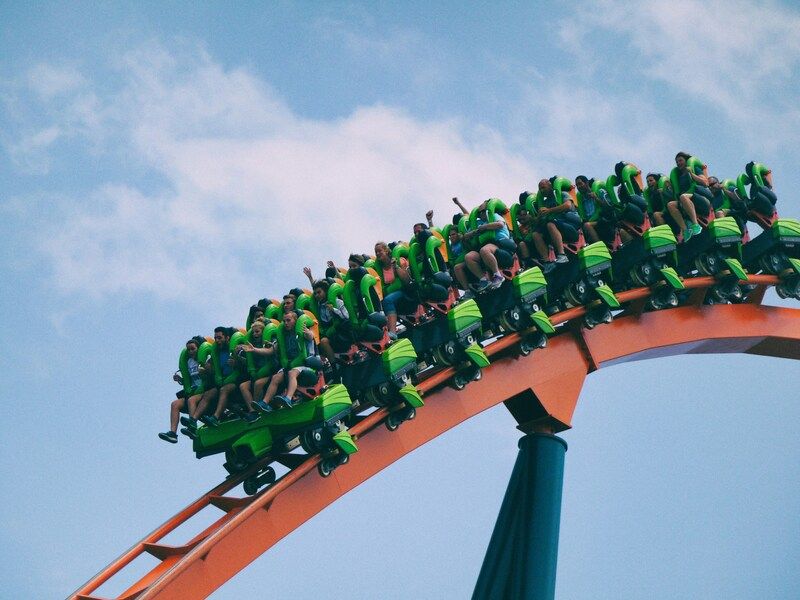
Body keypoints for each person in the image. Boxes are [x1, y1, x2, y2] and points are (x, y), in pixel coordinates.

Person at [256, 311, 316, 410]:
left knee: (292, 373)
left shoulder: (302, 330)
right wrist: (255, 349)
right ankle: (265, 403)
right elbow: (272, 350)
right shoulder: (284, 335)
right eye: (284, 321)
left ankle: (288, 398)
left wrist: (307, 332)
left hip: (307, 365)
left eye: (288, 320)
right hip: (291, 366)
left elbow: (310, 336)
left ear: (295, 321)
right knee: (276, 377)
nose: (286, 323)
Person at [188, 327, 238, 428]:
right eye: (216, 338)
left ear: (227, 338)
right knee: (208, 394)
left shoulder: (235, 349)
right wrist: (205, 369)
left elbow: (244, 365)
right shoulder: (215, 353)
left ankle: (216, 417)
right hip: (222, 381)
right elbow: (212, 371)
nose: (217, 341)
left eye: (220, 338)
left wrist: (236, 363)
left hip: (237, 380)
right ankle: (193, 420)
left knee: (224, 390)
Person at [159, 337, 206, 443]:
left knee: (191, 400)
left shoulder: (205, 358)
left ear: (199, 349)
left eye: (193, 349)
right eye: (189, 350)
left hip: (204, 391)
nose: (190, 352)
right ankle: (173, 434)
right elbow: (190, 380)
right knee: (175, 404)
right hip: (193, 390)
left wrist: (205, 370)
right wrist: (180, 380)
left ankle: (192, 427)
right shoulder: (189, 362)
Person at [530, 178, 581, 267]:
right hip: (556, 229)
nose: (542, 191)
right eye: (540, 189)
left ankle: (562, 255)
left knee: (550, 224)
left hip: (571, 227)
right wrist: (538, 217)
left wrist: (550, 210)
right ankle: (547, 262)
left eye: (543, 187)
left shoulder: (562, 194)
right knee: (536, 234)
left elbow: (568, 206)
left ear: (550, 186)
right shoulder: (544, 203)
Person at [237, 318, 273, 423]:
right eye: (253, 332)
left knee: (258, 383)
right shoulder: (253, 344)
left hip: (271, 371)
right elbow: (248, 362)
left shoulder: (268, 340)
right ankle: (253, 411)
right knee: (243, 386)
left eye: (257, 332)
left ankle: (259, 408)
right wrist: (238, 355)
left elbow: (270, 352)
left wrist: (255, 350)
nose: (254, 334)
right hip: (259, 372)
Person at [374, 241, 413, 335]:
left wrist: (395, 266)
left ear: (387, 251)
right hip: (391, 294)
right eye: (376, 252)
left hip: (404, 292)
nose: (378, 253)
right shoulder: (379, 268)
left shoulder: (398, 260)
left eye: (380, 251)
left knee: (387, 300)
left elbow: (408, 280)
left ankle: (392, 332)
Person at [669, 152, 710, 241]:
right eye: (677, 162)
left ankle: (696, 225)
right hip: (686, 199)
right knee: (671, 205)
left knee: (683, 197)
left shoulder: (695, 169)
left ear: (686, 161)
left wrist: (691, 173)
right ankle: (685, 230)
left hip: (700, 198)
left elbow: (705, 183)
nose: (679, 163)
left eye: (680, 160)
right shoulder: (678, 175)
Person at [310, 278, 349, 362]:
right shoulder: (319, 308)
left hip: (342, 330)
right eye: (315, 293)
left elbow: (346, 317)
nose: (317, 295)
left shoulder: (337, 302)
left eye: (319, 292)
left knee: (324, 341)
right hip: (329, 333)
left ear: (326, 292)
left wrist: (334, 310)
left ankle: (334, 367)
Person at [575, 176, 615, 244]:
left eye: (580, 184)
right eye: (577, 185)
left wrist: (596, 198)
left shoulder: (599, 191)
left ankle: (600, 248)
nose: (579, 187)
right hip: (591, 223)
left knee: (587, 225)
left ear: (587, 183)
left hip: (604, 220)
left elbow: (609, 207)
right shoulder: (581, 200)